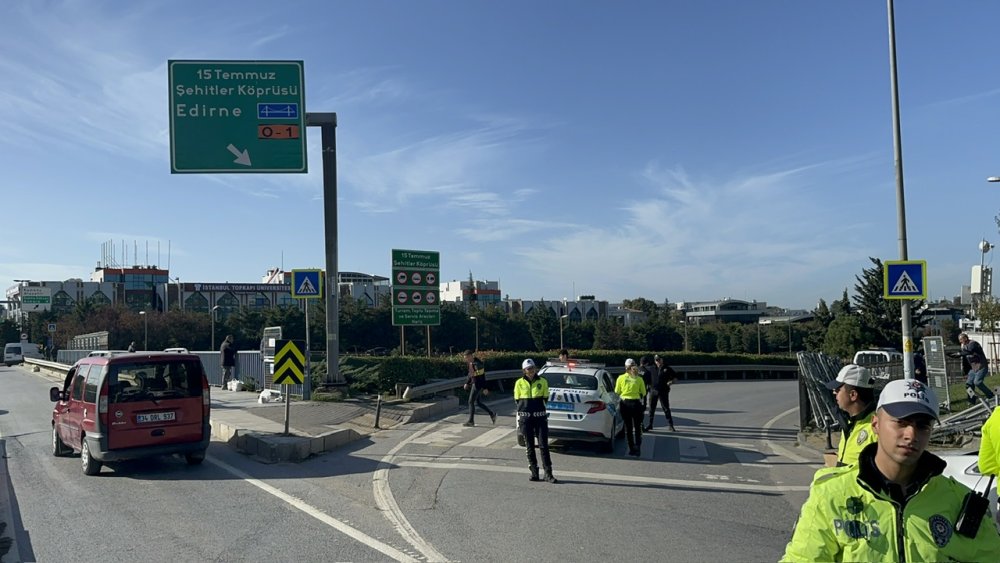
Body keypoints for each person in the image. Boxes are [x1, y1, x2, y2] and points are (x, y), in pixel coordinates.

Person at [782, 379, 1000, 561]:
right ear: (875, 425)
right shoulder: (831, 495)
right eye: (901, 422)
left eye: (922, 426)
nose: (911, 435)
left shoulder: (958, 500)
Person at [824, 363, 877, 467]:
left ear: (853, 395)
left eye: (838, 389)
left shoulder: (876, 426)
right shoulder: (849, 421)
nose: (834, 392)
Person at [514, 359, 557, 483]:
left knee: (544, 446)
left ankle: (548, 473)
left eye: (532, 368)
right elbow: (517, 400)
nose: (531, 371)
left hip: (540, 418)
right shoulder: (519, 383)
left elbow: (545, 398)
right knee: (529, 446)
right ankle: (534, 472)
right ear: (524, 371)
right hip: (525, 419)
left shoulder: (542, 381)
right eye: (528, 369)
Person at [615, 358, 647, 457]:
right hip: (636, 404)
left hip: (625, 404)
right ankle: (638, 448)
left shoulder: (620, 378)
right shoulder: (639, 378)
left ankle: (631, 448)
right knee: (637, 427)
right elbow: (644, 393)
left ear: (625, 367)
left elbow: (617, 391)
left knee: (628, 428)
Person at [954, 333, 995, 404]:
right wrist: (965, 371)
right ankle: (971, 400)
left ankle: (990, 395)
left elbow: (970, 351)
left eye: (961, 339)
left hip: (982, 367)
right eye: (959, 340)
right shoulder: (964, 347)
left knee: (977, 382)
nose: (960, 342)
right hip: (973, 369)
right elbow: (965, 360)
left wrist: (959, 353)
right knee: (968, 385)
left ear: (965, 338)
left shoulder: (973, 344)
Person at [462, 350, 495, 427]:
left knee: (470, 402)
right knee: (477, 402)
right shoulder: (470, 363)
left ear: (471, 356)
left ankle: (471, 421)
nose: (466, 359)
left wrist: (485, 388)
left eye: (467, 358)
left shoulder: (478, 364)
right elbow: (470, 374)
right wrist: (467, 383)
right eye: (465, 358)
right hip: (474, 383)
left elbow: (482, 377)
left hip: (478, 385)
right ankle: (492, 414)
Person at [646, 354, 676, 432]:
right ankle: (650, 425)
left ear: (662, 360)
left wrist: (671, 382)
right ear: (654, 361)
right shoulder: (651, 368)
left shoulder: (667, 368)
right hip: (653, 391)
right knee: (651, 409)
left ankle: (671, 425)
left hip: (663, 391)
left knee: (666, 408)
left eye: (659, 359)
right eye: (656, 360)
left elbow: (675, 378)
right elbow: (647, 379)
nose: (658, 361)